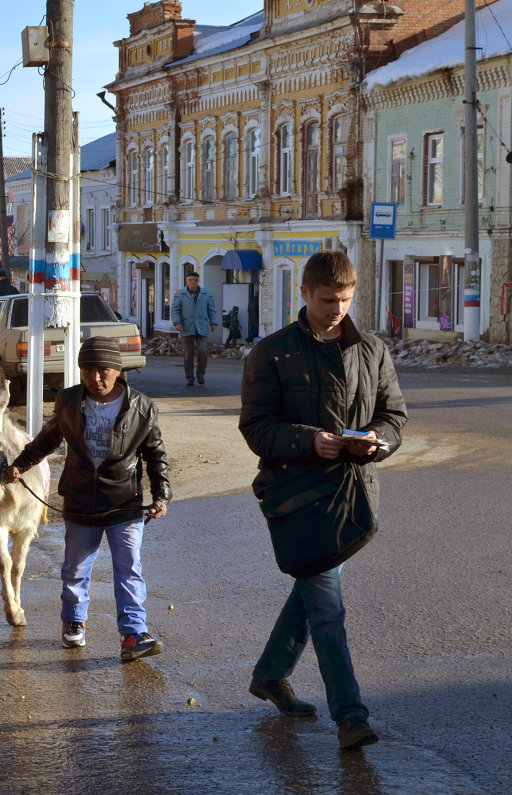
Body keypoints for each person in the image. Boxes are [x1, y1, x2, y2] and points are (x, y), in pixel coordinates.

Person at [239, 250, 408, 751]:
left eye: (346, 299)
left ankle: (270, 674)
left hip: (352, 495)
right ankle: (350, 716)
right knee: (328, 607)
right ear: (305, 294)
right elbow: (256, 427)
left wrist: (376, 440)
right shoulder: (272, 353)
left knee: (314, 589)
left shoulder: (372, 350)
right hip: (298, 497)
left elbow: (393, 415)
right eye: (329, 299)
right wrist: (309, 440)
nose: (338, 309)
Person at [5, 337, 171, 660]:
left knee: (129, 569)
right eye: (88, 370)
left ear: (118, 370)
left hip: (125, 503)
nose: (95, 378)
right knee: (75, 568)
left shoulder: (142, 408)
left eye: (103, 370)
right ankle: (74, 623)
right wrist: (19, 465)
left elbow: (156, 455)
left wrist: (162, 494)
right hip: (80, 501)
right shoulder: (68, 402)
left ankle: (133, 635)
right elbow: (47, 439)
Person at [171, 272, 217, 385]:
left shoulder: (206, 294)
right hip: (186, 327)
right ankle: (190, 378)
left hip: (202, 326)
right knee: (188, 354)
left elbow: (211, 309)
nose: (193, 282)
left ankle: (201, 374)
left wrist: (213, 323)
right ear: (186, 281)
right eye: (190, 280)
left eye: (195, 280)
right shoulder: (180, 294)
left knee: (203, 351)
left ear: (198, 281)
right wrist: (177, 322)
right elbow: (175, 310)